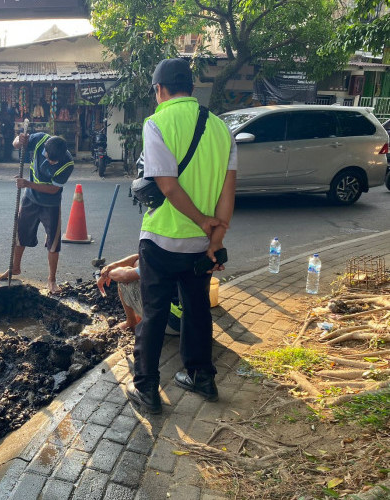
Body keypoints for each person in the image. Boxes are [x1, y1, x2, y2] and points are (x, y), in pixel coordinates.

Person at [127, 58, 237, 414]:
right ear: (191, 88)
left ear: (159, 89)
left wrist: (202, 221)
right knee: (197, 309)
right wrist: (214, 235)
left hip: (160, 239)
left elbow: (166, 184)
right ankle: (202, 377)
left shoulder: (157, 122)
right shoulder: (221, 128)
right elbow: (228, 189)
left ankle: (147, 389)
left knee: (155, 313)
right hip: (200, 247)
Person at [0, 133, 74, 294]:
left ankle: (51, 279)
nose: (51, 162)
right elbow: (15, 143)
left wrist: (27, 184)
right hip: (30, 199)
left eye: (55, 160)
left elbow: (54, 189)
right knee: (21, 234)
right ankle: (14, 268)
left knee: (53, 242)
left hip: (50, 204)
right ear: (44, 149)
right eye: (49, 158)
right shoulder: (40, 139)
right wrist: (20, 140)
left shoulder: (67, 164)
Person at [96, 254, 181, 334]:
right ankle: (140, 316)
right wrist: (112, 266)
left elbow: (124, 276)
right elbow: (139, 257)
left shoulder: (162, 258)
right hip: (191, 323)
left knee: (124, 280)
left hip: (172, 324)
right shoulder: (183, 251)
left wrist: (108, 274)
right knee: (139, 263)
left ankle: (131, 323)